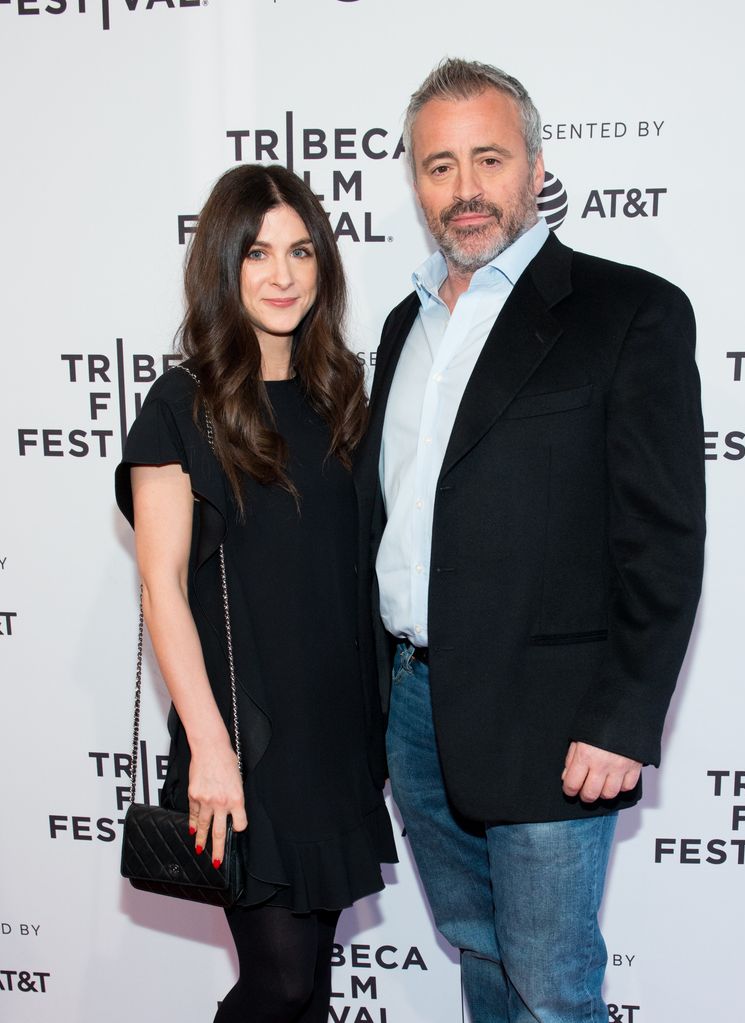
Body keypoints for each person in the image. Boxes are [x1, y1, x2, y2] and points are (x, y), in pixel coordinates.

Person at [353, 59, 705, 1022]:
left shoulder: (627, 312)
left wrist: (625, 717)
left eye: (488, 158)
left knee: (551, 988)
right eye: (438, 166)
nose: (464, 189)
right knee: (477, 955)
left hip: (555, 721)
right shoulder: (401, 327)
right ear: (416, 184)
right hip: (416, 710)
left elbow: (662, 536)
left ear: (534, 165)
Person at [115, 163, 397, 1023]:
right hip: (245, 737)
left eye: (301, 251)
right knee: (275, 981)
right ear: (223, 265)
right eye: (258, 253)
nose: (282, 275)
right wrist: (208, 747)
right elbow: (161, 587)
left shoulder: (343, 393)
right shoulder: (181, 405)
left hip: (338, 737)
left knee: (308, 986)